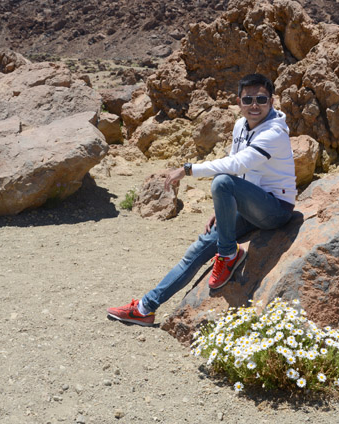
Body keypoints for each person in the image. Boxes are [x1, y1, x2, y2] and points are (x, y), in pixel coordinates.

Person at [107, 73, 296, 326]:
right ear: (238, 102)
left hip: (275, 210)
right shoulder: (241, 125)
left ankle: (228, 255)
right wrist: (225, 206)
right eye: (247, 99)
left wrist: (187, 170)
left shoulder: (274, 132)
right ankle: (145, 307)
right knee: (196, 251)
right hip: (250, 206)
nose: (254, 105)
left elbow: (237, 164)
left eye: (261, 99)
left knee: (221, 181)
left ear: (271, 101)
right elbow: (235, 171)